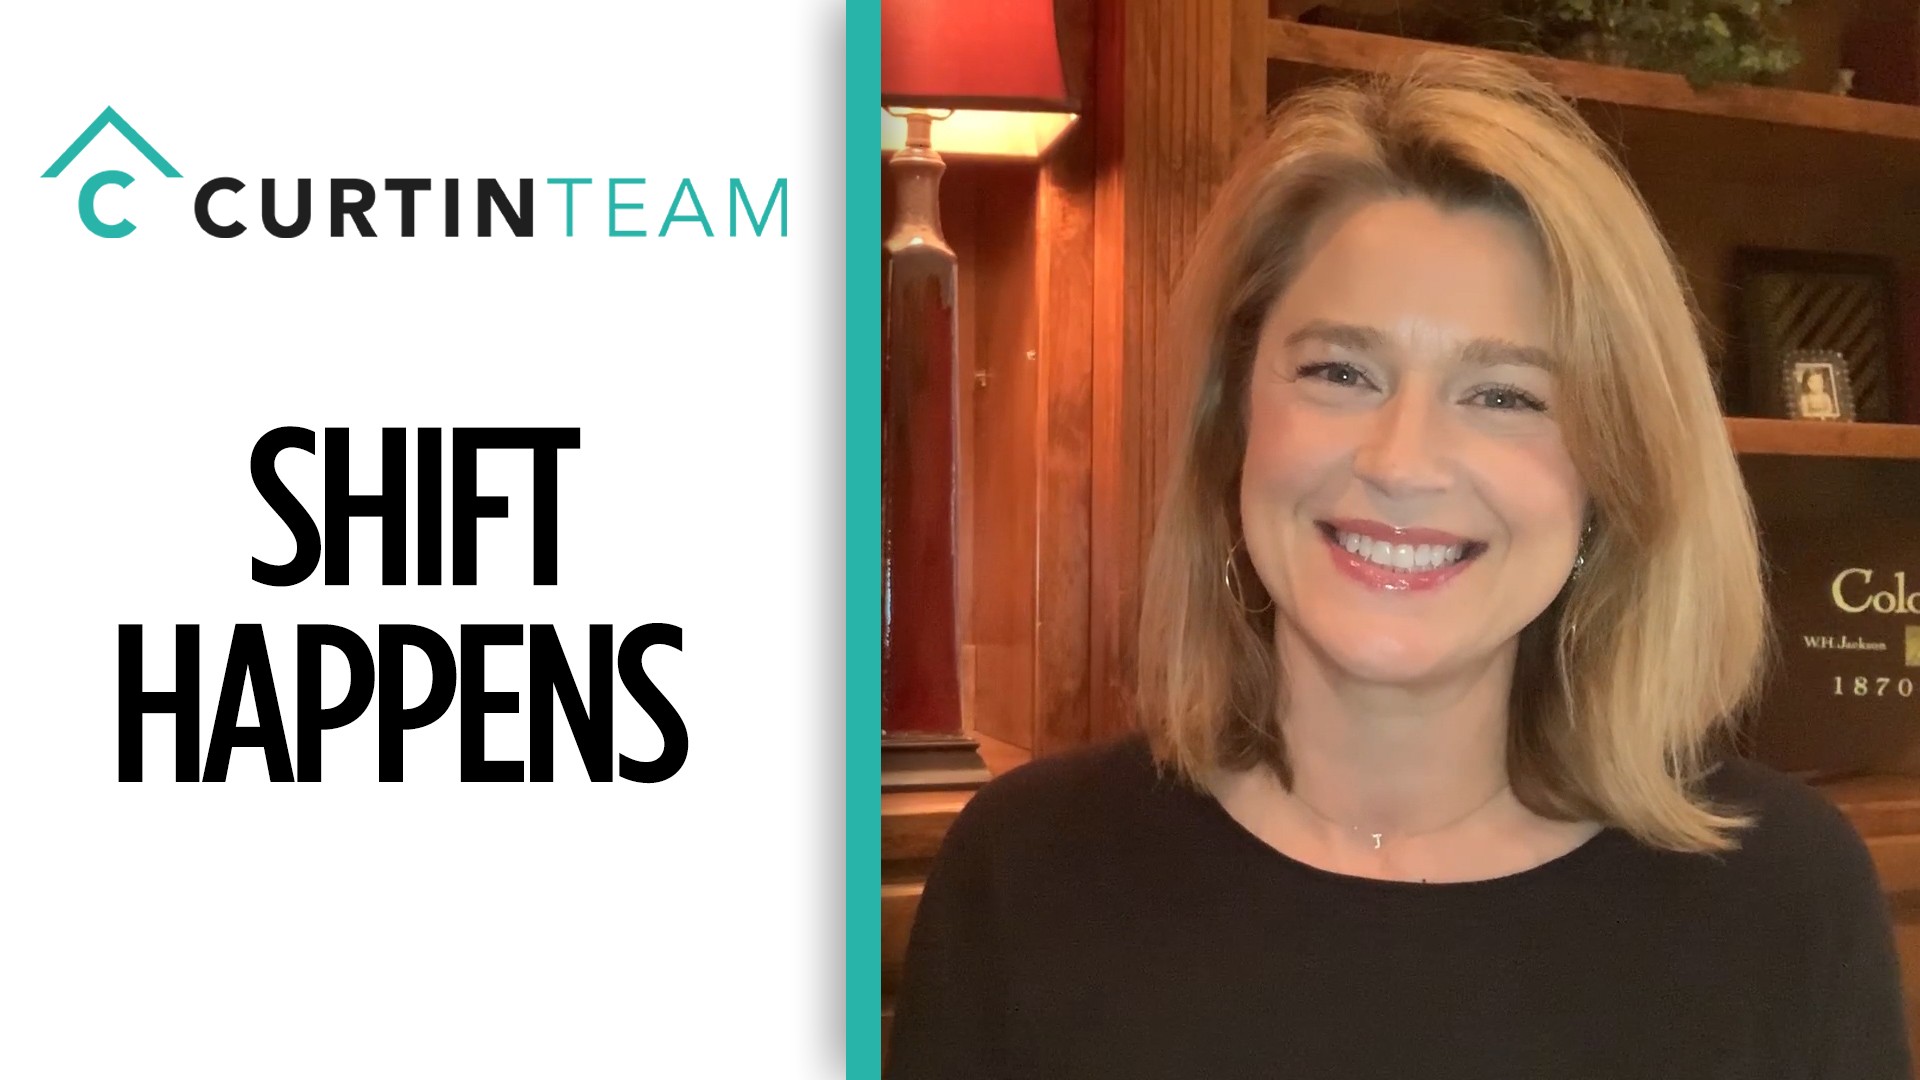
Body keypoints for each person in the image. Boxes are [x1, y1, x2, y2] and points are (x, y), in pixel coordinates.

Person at [885, 50, 1910, 1079]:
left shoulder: (1784, 900)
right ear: (1233, 421)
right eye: (1340, 371)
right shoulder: (1026, 873)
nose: (1402, 462)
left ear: (1614, 473)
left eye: (1505, 396)